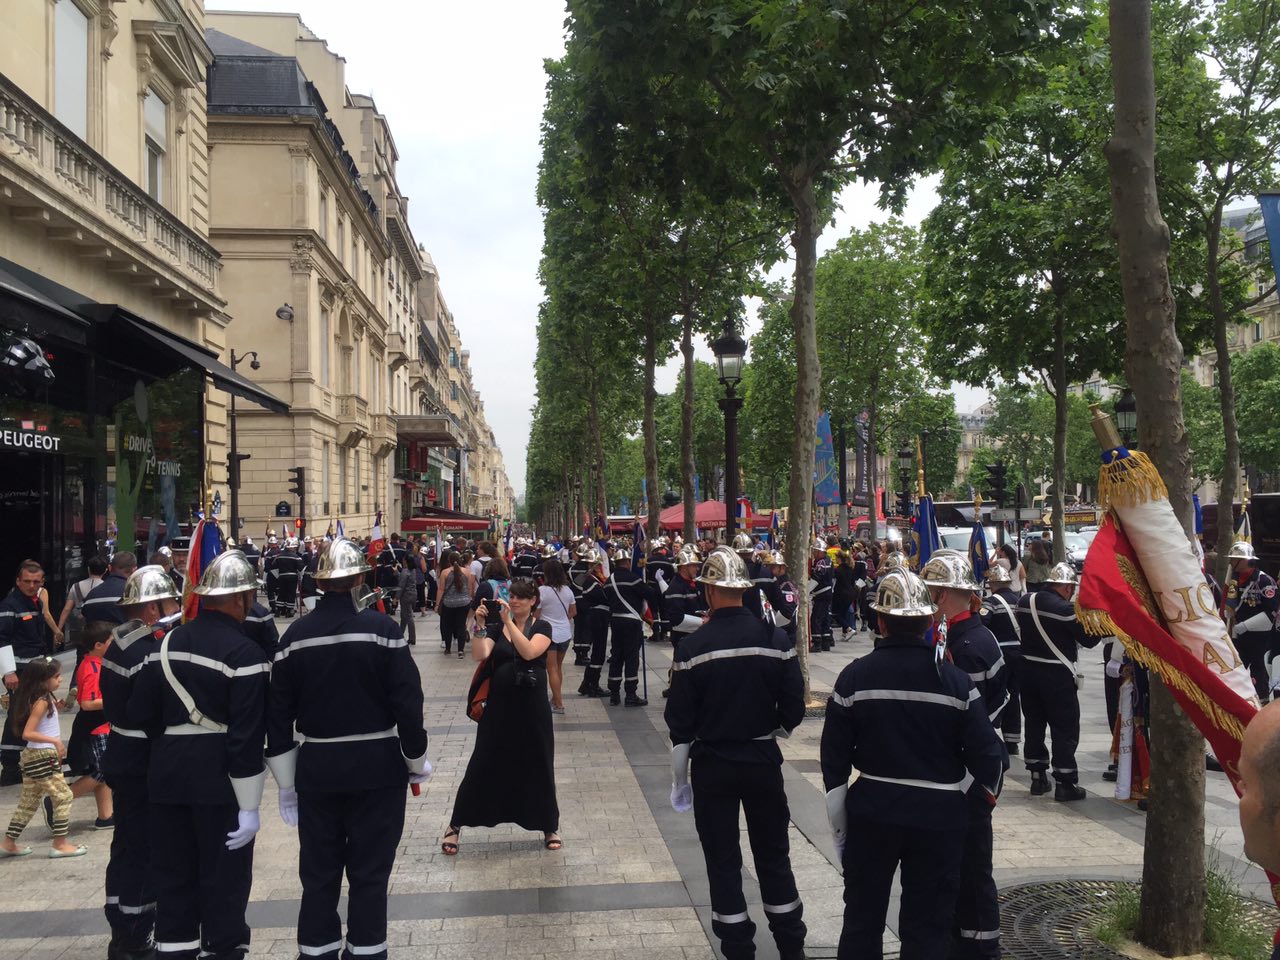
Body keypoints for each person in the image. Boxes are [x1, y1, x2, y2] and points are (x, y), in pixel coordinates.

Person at [822, 569, 1004, 960]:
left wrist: (839, 827)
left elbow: (833, 760)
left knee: (862, 922)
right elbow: (989, 756)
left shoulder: (853, 678)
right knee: (928, 926)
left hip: (872, 815)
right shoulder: (955, 682)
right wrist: (975, 804)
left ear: (881, 621)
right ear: (928, 620)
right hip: (939, 819)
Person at [266, 538, 430, 960]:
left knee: (319, 875)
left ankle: (316, 952)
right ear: (360, 578)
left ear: (319, 582)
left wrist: (286, 784)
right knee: (370, 875)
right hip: (377, 768)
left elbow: (278, 716)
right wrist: (416, 759)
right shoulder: (385, 631)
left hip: (318, 769)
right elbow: (407, 703)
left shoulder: (294, 637)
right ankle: (367, 951)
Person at [665, 547, 806, 960]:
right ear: (745, 590)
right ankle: (790, 944)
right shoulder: (775, 639)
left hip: (713, 766)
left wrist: (679, 778)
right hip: (763, 762)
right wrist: (770, 731)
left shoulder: (693, 648)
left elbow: (680, 723)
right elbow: (793, 707)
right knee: (774, 855)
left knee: (723, 860)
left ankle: (738, 947)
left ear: (708, 591)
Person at [128, 551, 269, 960]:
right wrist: (250, 805)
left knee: (173, 882)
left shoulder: (164, 645)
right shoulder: (246, 656)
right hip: (219, 784)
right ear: (241, 598)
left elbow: (141, 717)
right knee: (224, 884)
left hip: (167, 777)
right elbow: (245, 738)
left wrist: (174, 744)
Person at [921, 554, 1008, 958]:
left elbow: (968, 720)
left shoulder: (967, 645)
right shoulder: (967, 634)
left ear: (940, 594)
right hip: (970, 768)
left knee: (973, 869)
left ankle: (980, 946)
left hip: (972, 773)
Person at [101, 563, 183, 960]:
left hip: (121, 753)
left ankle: (121, 924)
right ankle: (134, 934)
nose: (173, 607)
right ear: (152, 608)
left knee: (126, 846)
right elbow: (153, 710)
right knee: (144, 849)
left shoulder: (123, 640)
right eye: (169, 601)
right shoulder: (147, 649)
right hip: (140, 758)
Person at [442, 578, 559, 854]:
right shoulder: (496, 627)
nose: (515, 601)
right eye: (512, 596)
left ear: (532, 601)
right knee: (483, 762)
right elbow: (480, 654)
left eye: (521, 597)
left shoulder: (542, 627)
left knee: (538, 763)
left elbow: (530, 652)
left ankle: (549, 825)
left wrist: (508, 623)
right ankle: (455, 826)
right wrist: (480, 627)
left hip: (533, 710)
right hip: (499, 708)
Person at [1016, 561, 1098, 800]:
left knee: (1034, 723)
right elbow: (1089, 639)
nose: (1072, 592)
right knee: (1064, 728)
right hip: (1056, 675)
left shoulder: (1025, 602)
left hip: (1028, 670)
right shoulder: (1066, 610)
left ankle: (1037, 777)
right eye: (1071, 587)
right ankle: (1065, 781)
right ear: (1064, 587)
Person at [0, 656, 86, 858]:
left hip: (33, 756)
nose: (61, 680)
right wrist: (55, 742)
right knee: (63, 797)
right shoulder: (42, 702)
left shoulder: (42, 699)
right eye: (56, 676)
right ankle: (60, 843)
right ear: (42, 680)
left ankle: (9, 842)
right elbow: (27, 733)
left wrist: (58, 708)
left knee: (28, 802)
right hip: (42, 755)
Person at [0, 560, 56, 785]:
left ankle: (33, 760)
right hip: (19, 672)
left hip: (35, 670)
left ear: (42, 582)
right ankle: (10, 765)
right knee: (18, 714)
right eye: (27, 581)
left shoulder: (35, 603)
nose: (31, 585)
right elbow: (2, 639)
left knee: (35, 714)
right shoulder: (9, 605)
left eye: (36, 581)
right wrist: (8, 672)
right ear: (17, 581)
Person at [64, 621, 115, 829]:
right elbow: (87, 703)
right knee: (103, 771)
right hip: (97, 727)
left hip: (100, 725)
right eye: (111, 642)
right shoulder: (92, 668)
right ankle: (61, 799)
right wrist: (116, 698)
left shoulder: (93, 663)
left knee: (101, 772)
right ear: (98, 645)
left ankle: (105, 816)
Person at [1224, 539, 1277, 702]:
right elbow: (1232, 605)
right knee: (1235, 669)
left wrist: (1246, 625)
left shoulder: (1264, 581)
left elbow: (1272, 611)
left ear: (1245, 560)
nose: (1231, 562)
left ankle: (1262, 703)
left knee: (1259, 673)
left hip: (1260, 636)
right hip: (1239, 635)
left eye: (1234, 559)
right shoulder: (1234, 579)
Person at [980, 563, 1024, 756]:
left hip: (1000, 655)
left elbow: (982, 623)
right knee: (1014, 696)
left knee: (998, 695)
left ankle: (991, 730)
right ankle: (1012, 739)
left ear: (993, 583)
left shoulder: (990, 602)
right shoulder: (1019, 600)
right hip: (1019, 653)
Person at [604, 548, 649, 706]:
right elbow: (648, 593)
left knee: (616, 656)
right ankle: (630, 694)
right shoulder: (633, 578)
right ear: (628, 562)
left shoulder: (609, 580)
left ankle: (614, 694)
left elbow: (606, 598)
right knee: (631, 658)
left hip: (616, 621)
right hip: (632, 622)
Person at [661, 545, 706, 697]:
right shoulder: (676, 588)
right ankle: (676, 689)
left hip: (695, 634)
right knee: (682, 666)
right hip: (682, 636)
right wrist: (702, 622)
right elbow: (676, 618)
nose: (696, 569)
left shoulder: (695, 584)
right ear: (684, 567)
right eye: (693, 565)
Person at [537, 559, 576, 715]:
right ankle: (555, 697)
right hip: (565, 633)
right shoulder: (568, 590)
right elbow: (573, 612)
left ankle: (559, 704)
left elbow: (537, 614)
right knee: (558, 667)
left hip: (548, 634)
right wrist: (561, 618)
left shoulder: (542, 591)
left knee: (551, 669)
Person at [576, 549, 612, 698]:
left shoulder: (596, 579)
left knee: (598, 652)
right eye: (598, 564)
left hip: (600, 616)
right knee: (598, 652)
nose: (601, 567)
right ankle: (593, 685)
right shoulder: (590, 580)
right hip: (597, 617)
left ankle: (587, 683)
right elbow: (602, 596)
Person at [57, 555, 107, 646]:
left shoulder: (76, 587)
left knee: (81, 654)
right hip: (101, 631)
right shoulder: (107, 587)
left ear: (88, 569)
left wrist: (58, 630)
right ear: (106, 570)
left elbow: (67, 609)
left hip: (81, 630)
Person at [83, 552, 137, 628]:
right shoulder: (135, 594)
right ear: (134, 570)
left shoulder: (90, 597)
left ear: (110, 568)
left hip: (95, 639)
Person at [436, 550, 475, 657]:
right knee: (461, 626)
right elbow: (469, 588)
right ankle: (460, 651)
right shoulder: (466, 572)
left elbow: (441, 589)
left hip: (448, 603)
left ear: (449, 561)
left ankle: (448, 649)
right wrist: (470, 598)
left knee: (448, 625)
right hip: (464, 603)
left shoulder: (445, 572)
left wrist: (437, 604)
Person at [809, 538, 834, 653]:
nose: (814, 553)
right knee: (824, 617)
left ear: (821, 551)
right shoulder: (828, 560)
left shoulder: (821, 562)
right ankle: (826, 642)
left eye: (815, 551)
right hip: (827, 591)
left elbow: (817, 578)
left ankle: (817, 643)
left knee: (816, 618)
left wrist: (807, 590)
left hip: (822, 592)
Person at [831, 549, 858, 641]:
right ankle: (844, 634)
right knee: (843, 613)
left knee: (835, 613)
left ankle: (848, 629)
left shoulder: (837, 570)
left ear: (839, 559)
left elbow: (834, 583)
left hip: (840, 594)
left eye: (836, 558)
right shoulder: (850, 569)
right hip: (851, 594)